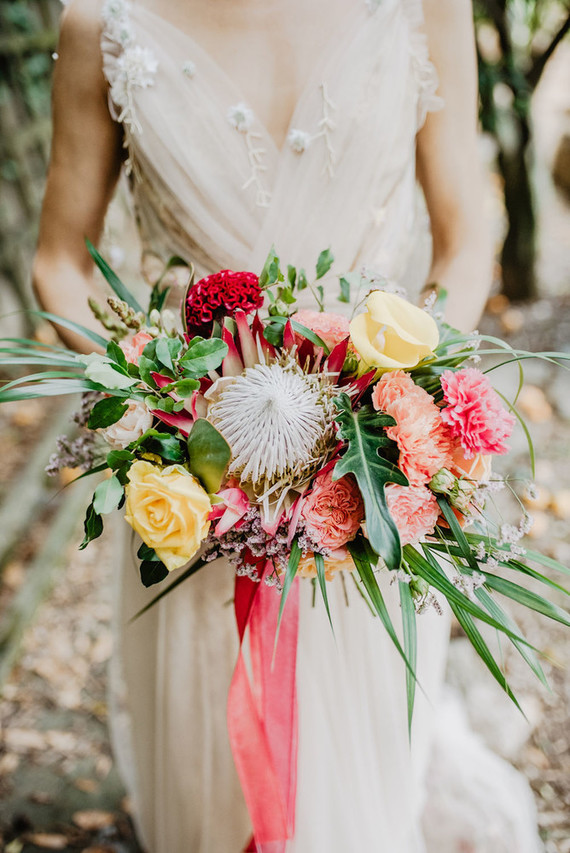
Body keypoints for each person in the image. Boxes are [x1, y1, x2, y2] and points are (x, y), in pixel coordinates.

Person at [32, 0, 543, 850]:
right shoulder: (102, 21)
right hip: (196, 481)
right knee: (205, 759)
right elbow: (59, 257)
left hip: (372, 471)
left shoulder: (425, 8)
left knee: (362, 740)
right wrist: (154, 396)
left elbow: (464, 232)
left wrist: (399, 384)